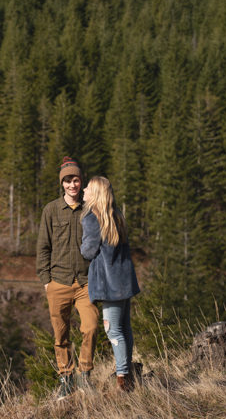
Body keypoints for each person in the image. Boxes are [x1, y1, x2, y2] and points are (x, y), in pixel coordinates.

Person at [36, 157, 99, 398]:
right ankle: (66, 378)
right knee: (60, 335)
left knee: (91, 327)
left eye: (76, 180)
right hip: (58, 283)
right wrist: (46, 280)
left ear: (81, 181)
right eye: (68, 180)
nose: (73, 184)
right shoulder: (51, 210)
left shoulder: (90, 209)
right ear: (62, 183)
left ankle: (85, 375)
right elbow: (43, 247)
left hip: (86, 283)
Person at [80, 176, 141, 393]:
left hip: (109, 285)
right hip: (124, 281)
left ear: (95, 193)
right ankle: (127, 372)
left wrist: (82, 246)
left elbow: (88, 251)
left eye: (87, 187)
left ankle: (123, 378)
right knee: (125, 327)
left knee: (112, 330)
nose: (84, 189)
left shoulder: (91, 218)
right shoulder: (117, 215)